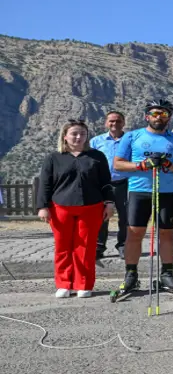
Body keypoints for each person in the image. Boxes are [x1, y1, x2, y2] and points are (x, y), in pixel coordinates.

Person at [114, 100, 173, 292]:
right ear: (146, 116)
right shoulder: (133, 136)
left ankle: (167, 274)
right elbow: (118, 164)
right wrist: (142, 165)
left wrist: (169, 165)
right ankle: (131, 275)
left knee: (166, 234)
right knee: (134, 234)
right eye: (155, 113)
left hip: (165, 192)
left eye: (164, 114)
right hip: (139, 191)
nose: (159, 117)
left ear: (169, 117)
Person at [38, 120, 115, 298]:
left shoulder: (97, 156)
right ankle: (64, 284)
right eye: (74, 133)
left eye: (82, 133)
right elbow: (45, 184)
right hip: (60, 208)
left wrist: (109, 203)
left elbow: (106, 183)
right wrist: (42, 206)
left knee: (86, 247)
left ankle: (84, 284)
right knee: (63, 247)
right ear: (65, 136)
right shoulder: (53, 158)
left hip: (91, 207)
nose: (78, 137)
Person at [90, 111, 128, 259]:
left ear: (123, 123)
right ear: (106, 123)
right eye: (111, 121)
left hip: (124, 184)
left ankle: (124, 245)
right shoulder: (95, 142)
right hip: (102, 185)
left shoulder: (130, 140)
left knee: (125, 217)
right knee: (101, 216)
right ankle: (99, 246)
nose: (115, 124)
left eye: (118, 121)